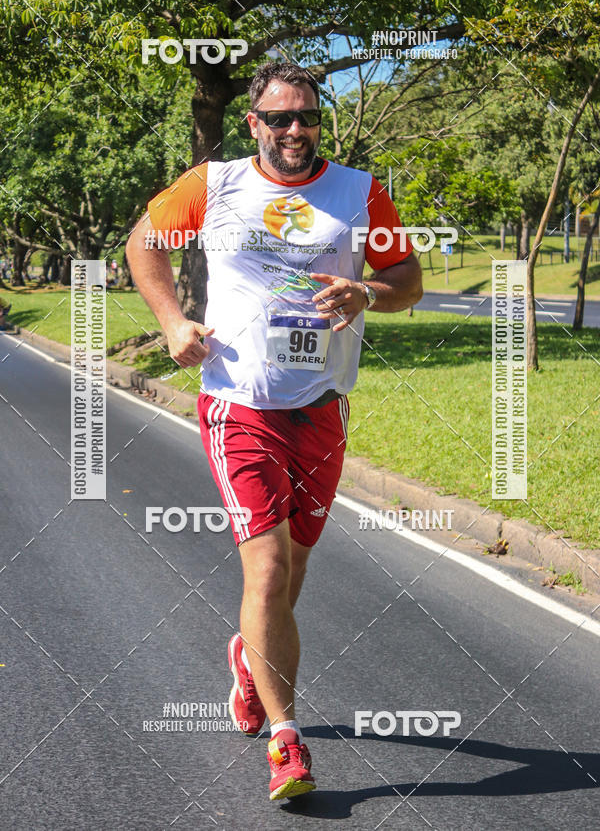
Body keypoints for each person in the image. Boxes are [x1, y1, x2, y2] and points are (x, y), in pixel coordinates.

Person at [126, 61, 423, 801]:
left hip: (321, 407)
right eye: (281, 118)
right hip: (239, 403)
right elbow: (143, 243)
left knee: (289, 574)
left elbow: (410, 280)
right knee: (264, 569)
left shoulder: (358, 192)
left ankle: (248, 655)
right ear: (252, 123)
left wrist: (368, 292)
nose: (297, 130)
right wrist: (171, 323)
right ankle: (287, 745)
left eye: (309, 117)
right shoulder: (215, 185)